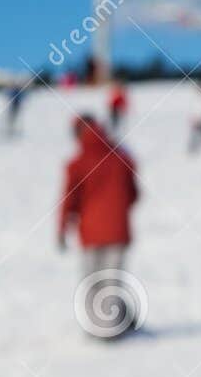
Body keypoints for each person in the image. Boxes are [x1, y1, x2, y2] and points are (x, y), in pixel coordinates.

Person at [58, 115, 140, 338]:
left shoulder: (77, 163)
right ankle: (114, 325)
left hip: (90, 232)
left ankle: (103, 329)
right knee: (112, 281)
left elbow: (69, 200)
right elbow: (134, 194)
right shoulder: (121, 157)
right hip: (118, 231)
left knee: (93, 281)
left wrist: (62, 229)